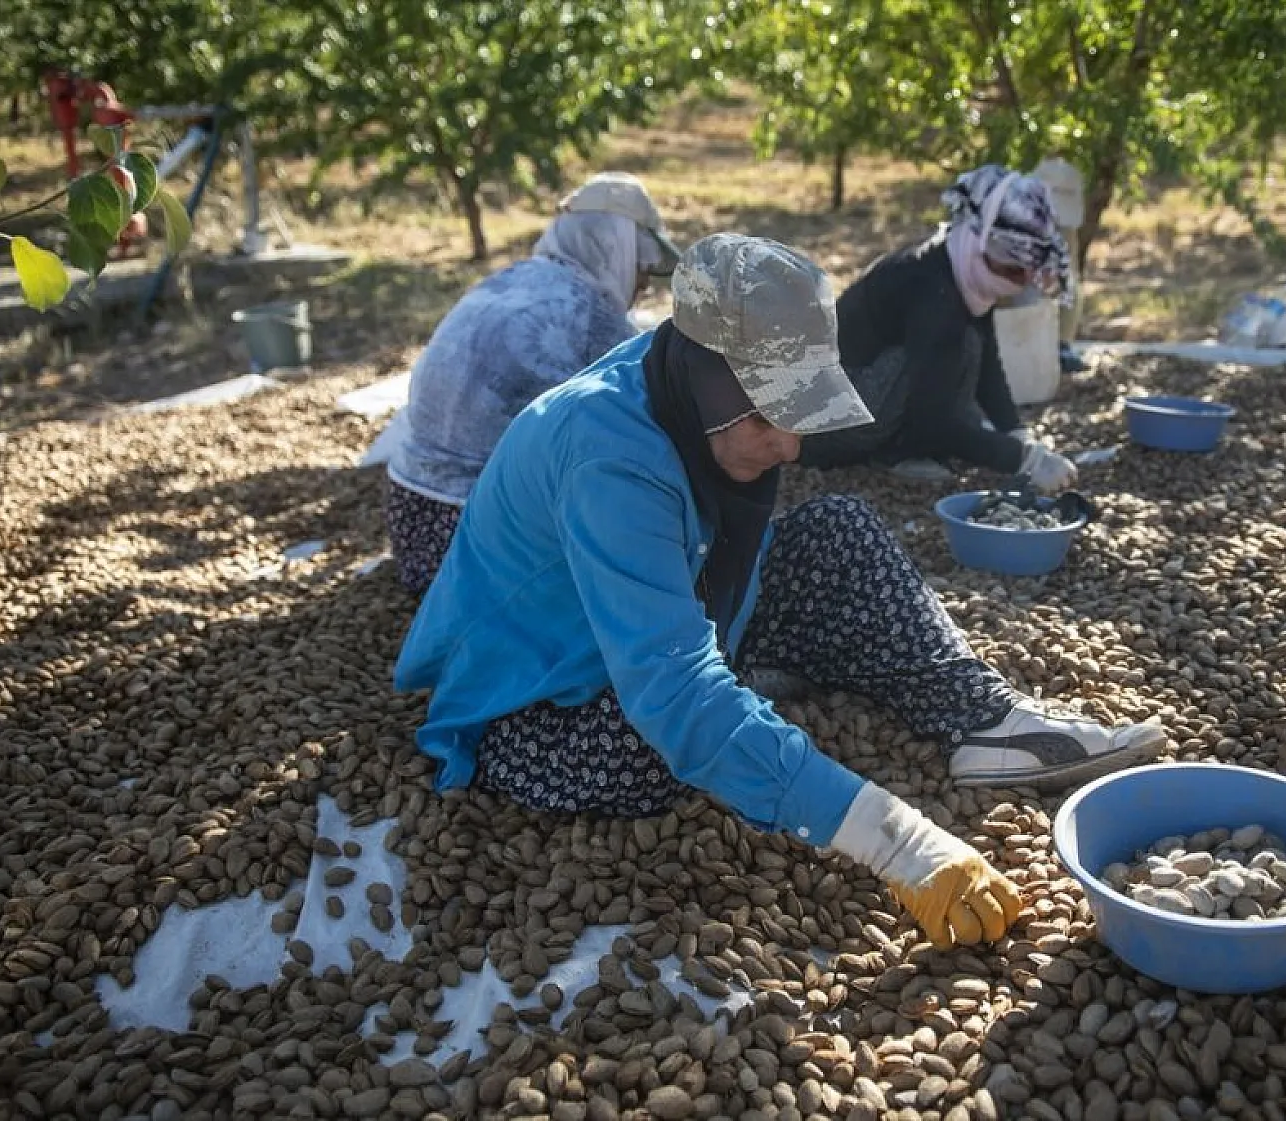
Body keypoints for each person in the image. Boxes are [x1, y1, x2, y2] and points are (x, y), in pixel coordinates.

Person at [394, 234, 1165, 948]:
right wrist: (898, 840)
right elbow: (670, 696)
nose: (791, 444)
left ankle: (985, 722)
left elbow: (737, 552)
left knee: (838, 531)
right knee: (656, 743)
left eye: (798, 412)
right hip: (533, 685)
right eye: (771, 415)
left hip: (657, 611)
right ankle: (737, 706)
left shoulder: (688, 394)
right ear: (710, 382)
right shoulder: (608, 456)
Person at [383, 171, 681, 592]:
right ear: (616, 249)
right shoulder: (592, 317)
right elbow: (649, 429)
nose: (645, 283)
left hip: (412, 523)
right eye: (642, 266)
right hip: (478, 543)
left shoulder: (507, 280)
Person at [801, 164, 1081, 487]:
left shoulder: (958, 265)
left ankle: (913, 444)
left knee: (969, 345)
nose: (1020, 283)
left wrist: (1016, 432)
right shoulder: (934, 293)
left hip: (856, 391)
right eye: (1013, 271)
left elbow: (988, 359)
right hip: (828, 422)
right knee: (956, 348)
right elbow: (935, 417)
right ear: (982, 243)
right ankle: (906, 451)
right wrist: (1022, 459)